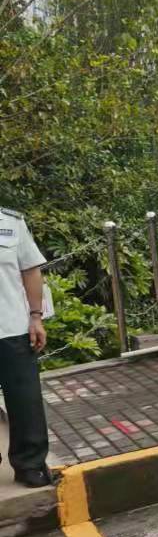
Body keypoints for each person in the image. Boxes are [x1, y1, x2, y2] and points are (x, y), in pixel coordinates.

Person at [0, 208, 54, 487]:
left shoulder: (11, 223)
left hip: (12, 327)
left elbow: (31, 270)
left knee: (25, 400)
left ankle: (30, 464)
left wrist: (36, 317)